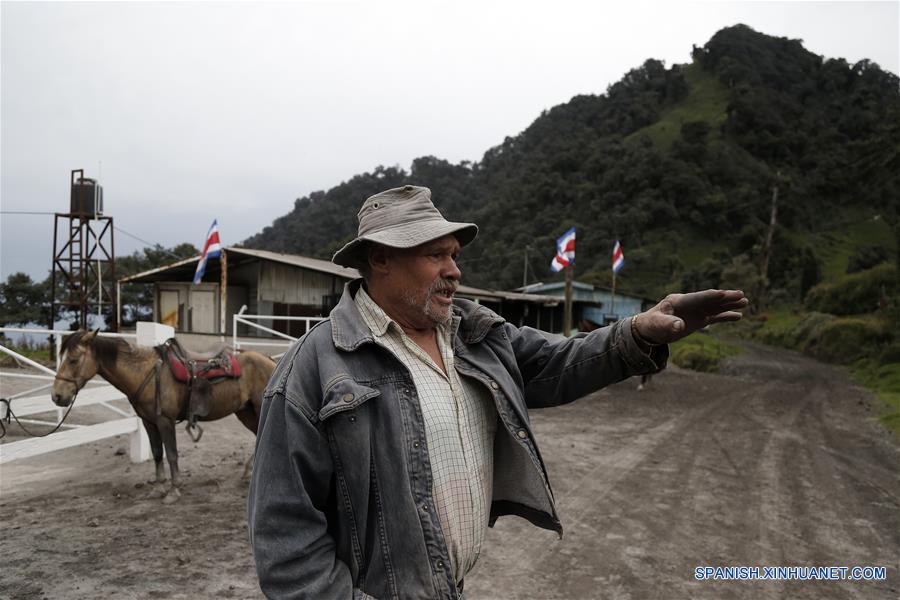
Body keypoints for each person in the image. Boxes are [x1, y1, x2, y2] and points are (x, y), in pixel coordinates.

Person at [248, 185, 748, 599]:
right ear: (380, 258)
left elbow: (559, 362)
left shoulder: (475, 335)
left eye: (455, 255)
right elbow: (286, 541)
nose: (454, 270)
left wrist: (637, 331)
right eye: (435, 255)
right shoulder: (309, 374)